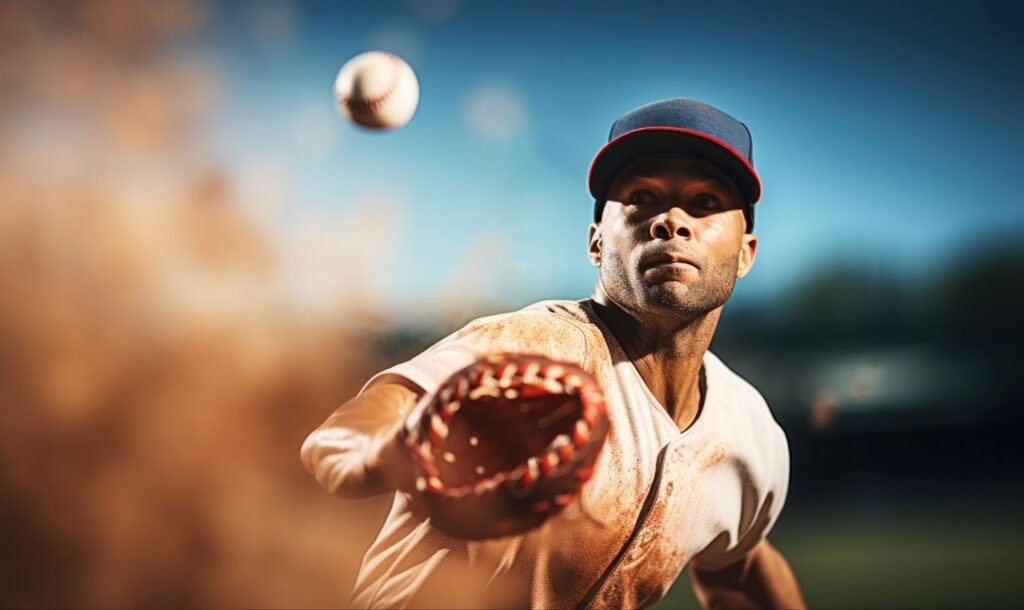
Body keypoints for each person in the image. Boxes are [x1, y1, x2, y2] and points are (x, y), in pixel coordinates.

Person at [301, 98, 806, 609]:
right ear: (595, 243)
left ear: (745, 253)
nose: (670, 221)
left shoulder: (748, 433)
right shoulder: (533, 347)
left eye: (704, 202)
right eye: (641, 197)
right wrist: (390, 451)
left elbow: (738, 568)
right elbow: (346, 433)